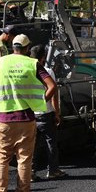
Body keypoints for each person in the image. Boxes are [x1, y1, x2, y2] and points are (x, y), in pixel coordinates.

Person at [0, 34, 57, 192]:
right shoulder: (32, 64)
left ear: (13, 46)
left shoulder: (0, 63)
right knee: (24, 159)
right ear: (27, 49)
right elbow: (52, 86)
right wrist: (40, 103)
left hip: (4, 119)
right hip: (26, 119)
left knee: (2, 157)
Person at [30, 44, 66, 182]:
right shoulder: (48, 72)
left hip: (32, 113)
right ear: (43, 57)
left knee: (33, 144)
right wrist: (57, 113)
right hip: (46, 113)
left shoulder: (27, 71)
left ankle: (31, 172)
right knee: (51, 143)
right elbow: (54, 94)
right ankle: (53, 170)